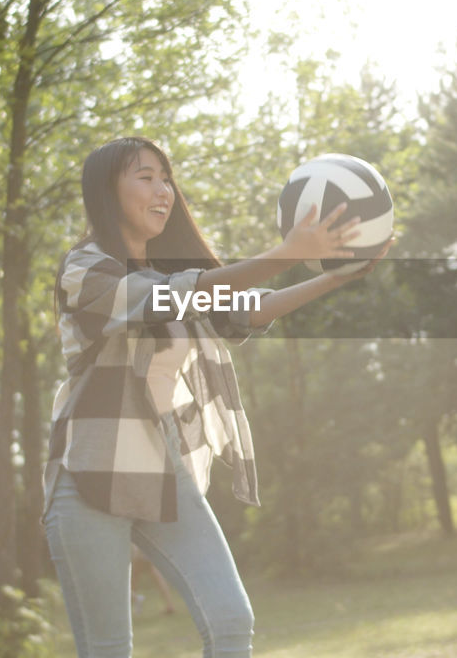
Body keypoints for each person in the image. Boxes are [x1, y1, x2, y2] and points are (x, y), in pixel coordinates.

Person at [40, 136, 391, 658]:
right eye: (146, 177)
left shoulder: (168, 277)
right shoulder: (84, 271)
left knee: (230, 621)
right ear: (106, 192)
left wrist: (337, 276)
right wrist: (285, 254)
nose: (164, 190)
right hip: (89, 476)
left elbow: (244, 308)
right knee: (109, 650)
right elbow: (176, 297)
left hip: (162, 472)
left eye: (167, 178)